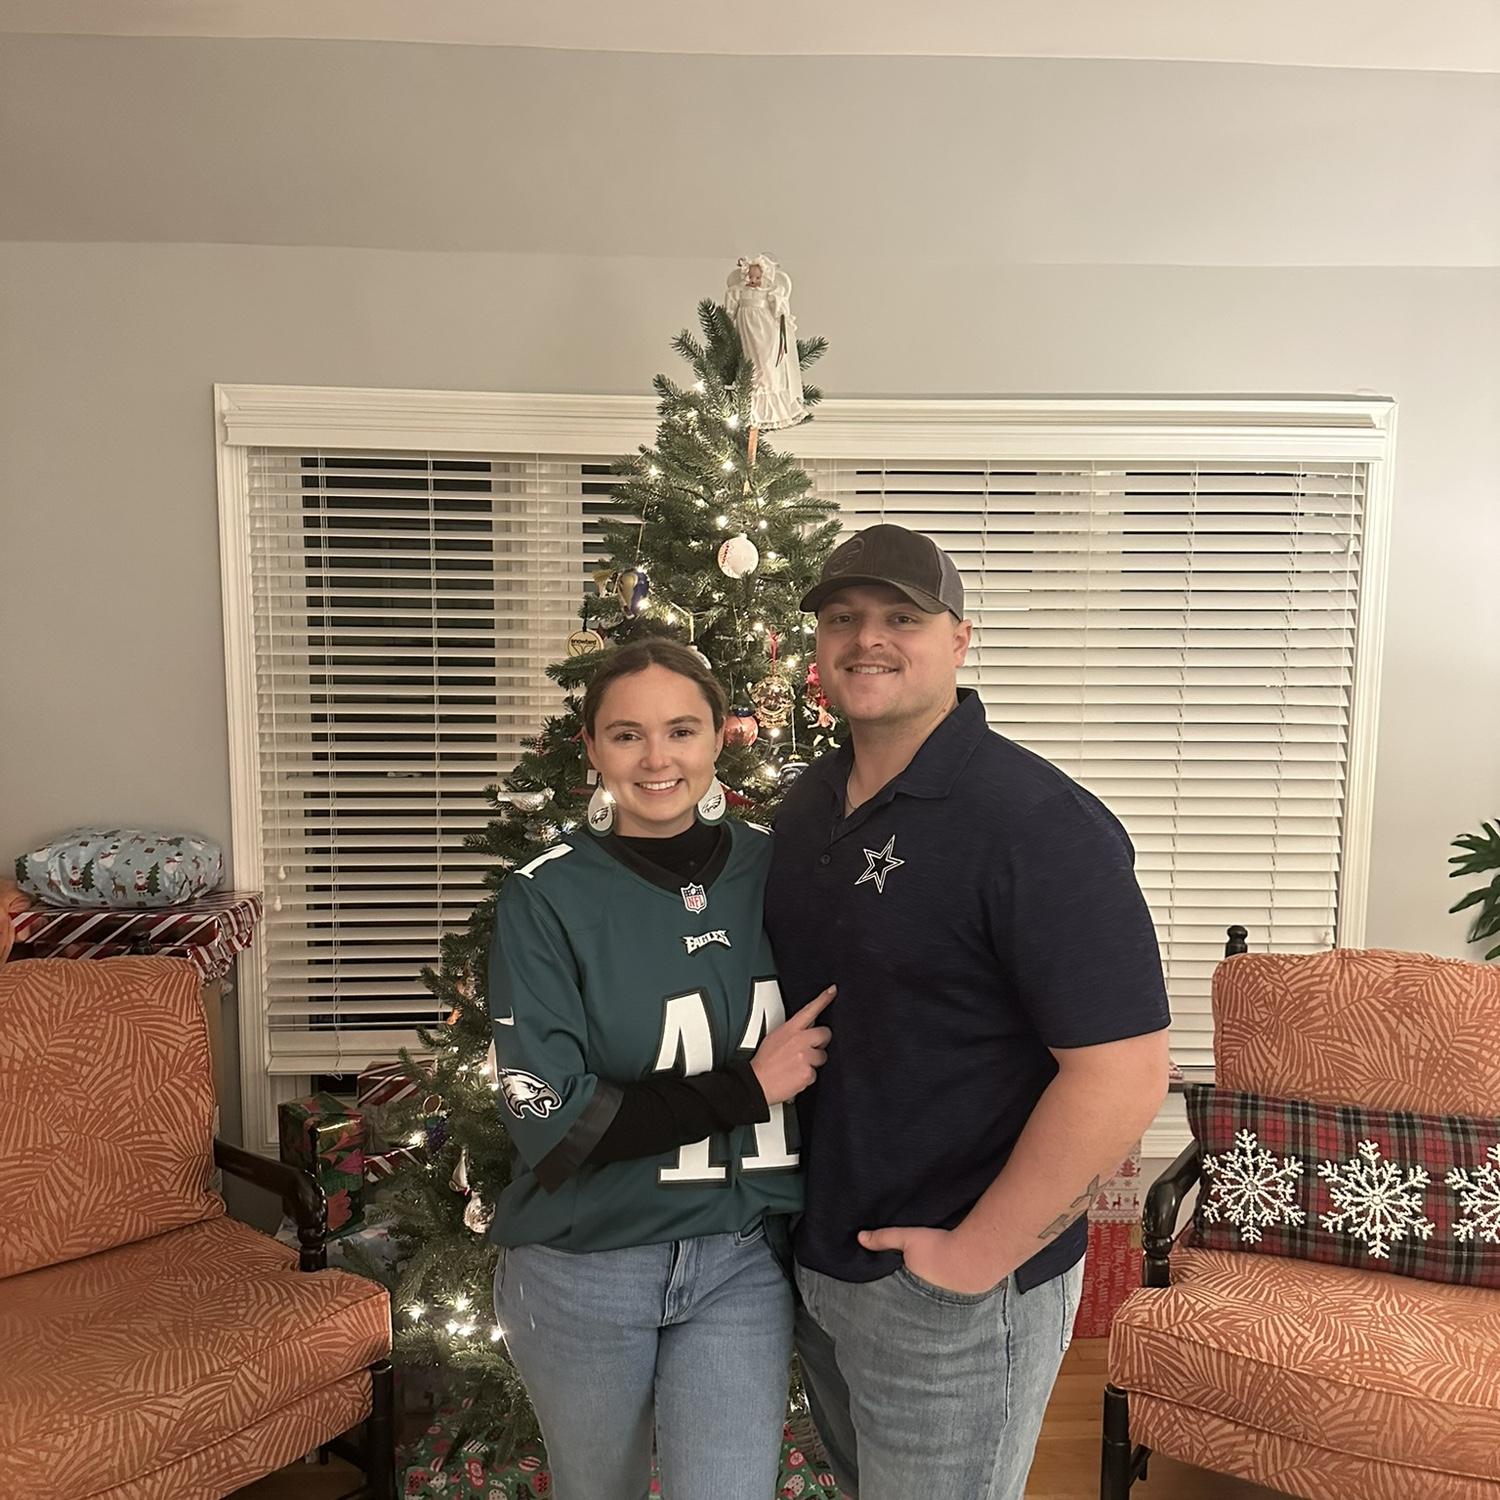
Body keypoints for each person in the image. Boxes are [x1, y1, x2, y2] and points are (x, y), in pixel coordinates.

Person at [765, 524, 1171, 1500]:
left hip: (956, 1292)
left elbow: (1124, 1075)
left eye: (901, 618)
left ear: (958, 639)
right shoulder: (806, 806)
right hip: (822, 1263)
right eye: (842, 618)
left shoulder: (1039, 823)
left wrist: (972, 1259)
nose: (867, 639)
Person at [487, 638, 835, 1500]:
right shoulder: (545, 895)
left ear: (721, 734)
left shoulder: (783, 867)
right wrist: (749, 1088)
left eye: (681, 730)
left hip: (739, 1260)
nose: (656, 759)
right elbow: (555, 1121)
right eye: (626, 735)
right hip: (584, 1265)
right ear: (592, 748)